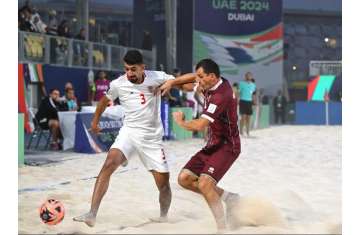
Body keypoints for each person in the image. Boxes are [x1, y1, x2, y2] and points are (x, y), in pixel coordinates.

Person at [73, 50, 192, 227]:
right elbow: (104, 101)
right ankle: (92, 213)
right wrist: (96, 121)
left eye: (133, 69)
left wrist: (174, 82)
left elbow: (187, 81)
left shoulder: (156, 77)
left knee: (164, 185)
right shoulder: (118, 84)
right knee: (108, 164)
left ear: (143, 68)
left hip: (151, 139)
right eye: (126, 69)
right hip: (129, 133)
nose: (129, 73)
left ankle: (163, 217)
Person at [159, 59, 241, 233]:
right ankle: (230, 198)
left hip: (228, 146)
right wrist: (174, 82)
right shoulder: (210, 82)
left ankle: (222, 229)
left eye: (201, 77)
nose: (198, 79)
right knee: (184, 179)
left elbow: (199, 125)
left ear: (211, 76)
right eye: (199, 76)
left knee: (205, 184)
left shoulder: (221, 95)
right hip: (213, 143)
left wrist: (181, 122)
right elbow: (191, 81)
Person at [239, 72, 256, 136]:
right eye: (247, 76)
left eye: (250, 76)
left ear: (251, 77)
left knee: (248, 118)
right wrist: (237, 100)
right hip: (243, 101)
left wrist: (254, 101)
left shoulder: (253, 85)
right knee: (243, 117)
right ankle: (241, 131)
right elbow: (238, 92)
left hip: (249, 102)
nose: (249, 77)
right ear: (245, 77)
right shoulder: (241, 83)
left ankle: (247, 131)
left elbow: (253, 94)